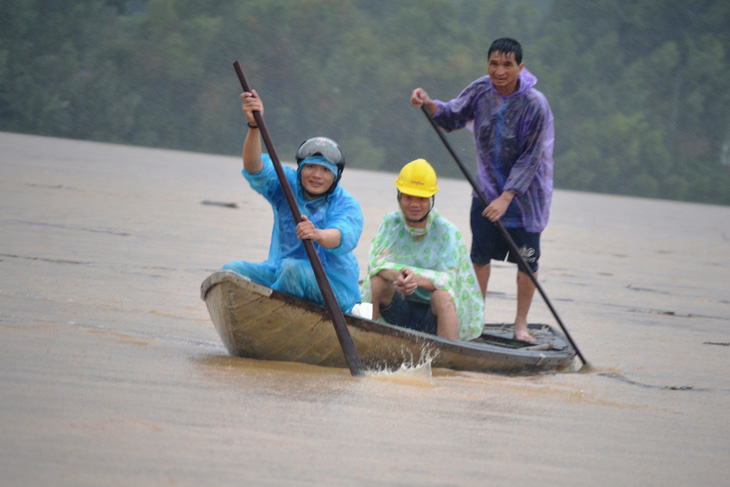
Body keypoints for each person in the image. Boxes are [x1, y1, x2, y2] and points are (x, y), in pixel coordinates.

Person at [410, 37, 554, 343]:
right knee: (480, 258)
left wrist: (507, 197)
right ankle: (475, 319)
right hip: (486, 190)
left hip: (526, 199)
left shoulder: (535, 105)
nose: (499, 71)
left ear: (520, 68)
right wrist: (429, 103)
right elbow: (451, 116)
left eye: (507, 65)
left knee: (527, 262)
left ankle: (520, 325)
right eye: (493, 64)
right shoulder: (480, 90)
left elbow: (531, 157)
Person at [222, 90, 364, 313]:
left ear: (335, 177)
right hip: (280, 271)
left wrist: (318, 234)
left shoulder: (345, 203)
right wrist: (254, 126)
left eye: (325, 170)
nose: (316, 175)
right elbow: (253, 166)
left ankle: (264, 313)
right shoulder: (286, 184)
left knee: (292, 270)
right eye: (310, 167)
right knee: (231, 272)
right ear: (301, 168)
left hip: (334, 285)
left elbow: (342, 235)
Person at [360, 159, 484, 341]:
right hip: (398, 309)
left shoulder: (447, 231)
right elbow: (377, 263)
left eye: (421, 198)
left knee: (442, 296)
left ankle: (449, 358)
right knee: (376, 282)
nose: (414, 204)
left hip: (432, 316)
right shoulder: (390, 222)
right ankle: (363, 340)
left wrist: (414, 280)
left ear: (431, 199)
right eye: (408, 197)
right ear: (399, 196)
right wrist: (399, 278)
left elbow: (448, 279)